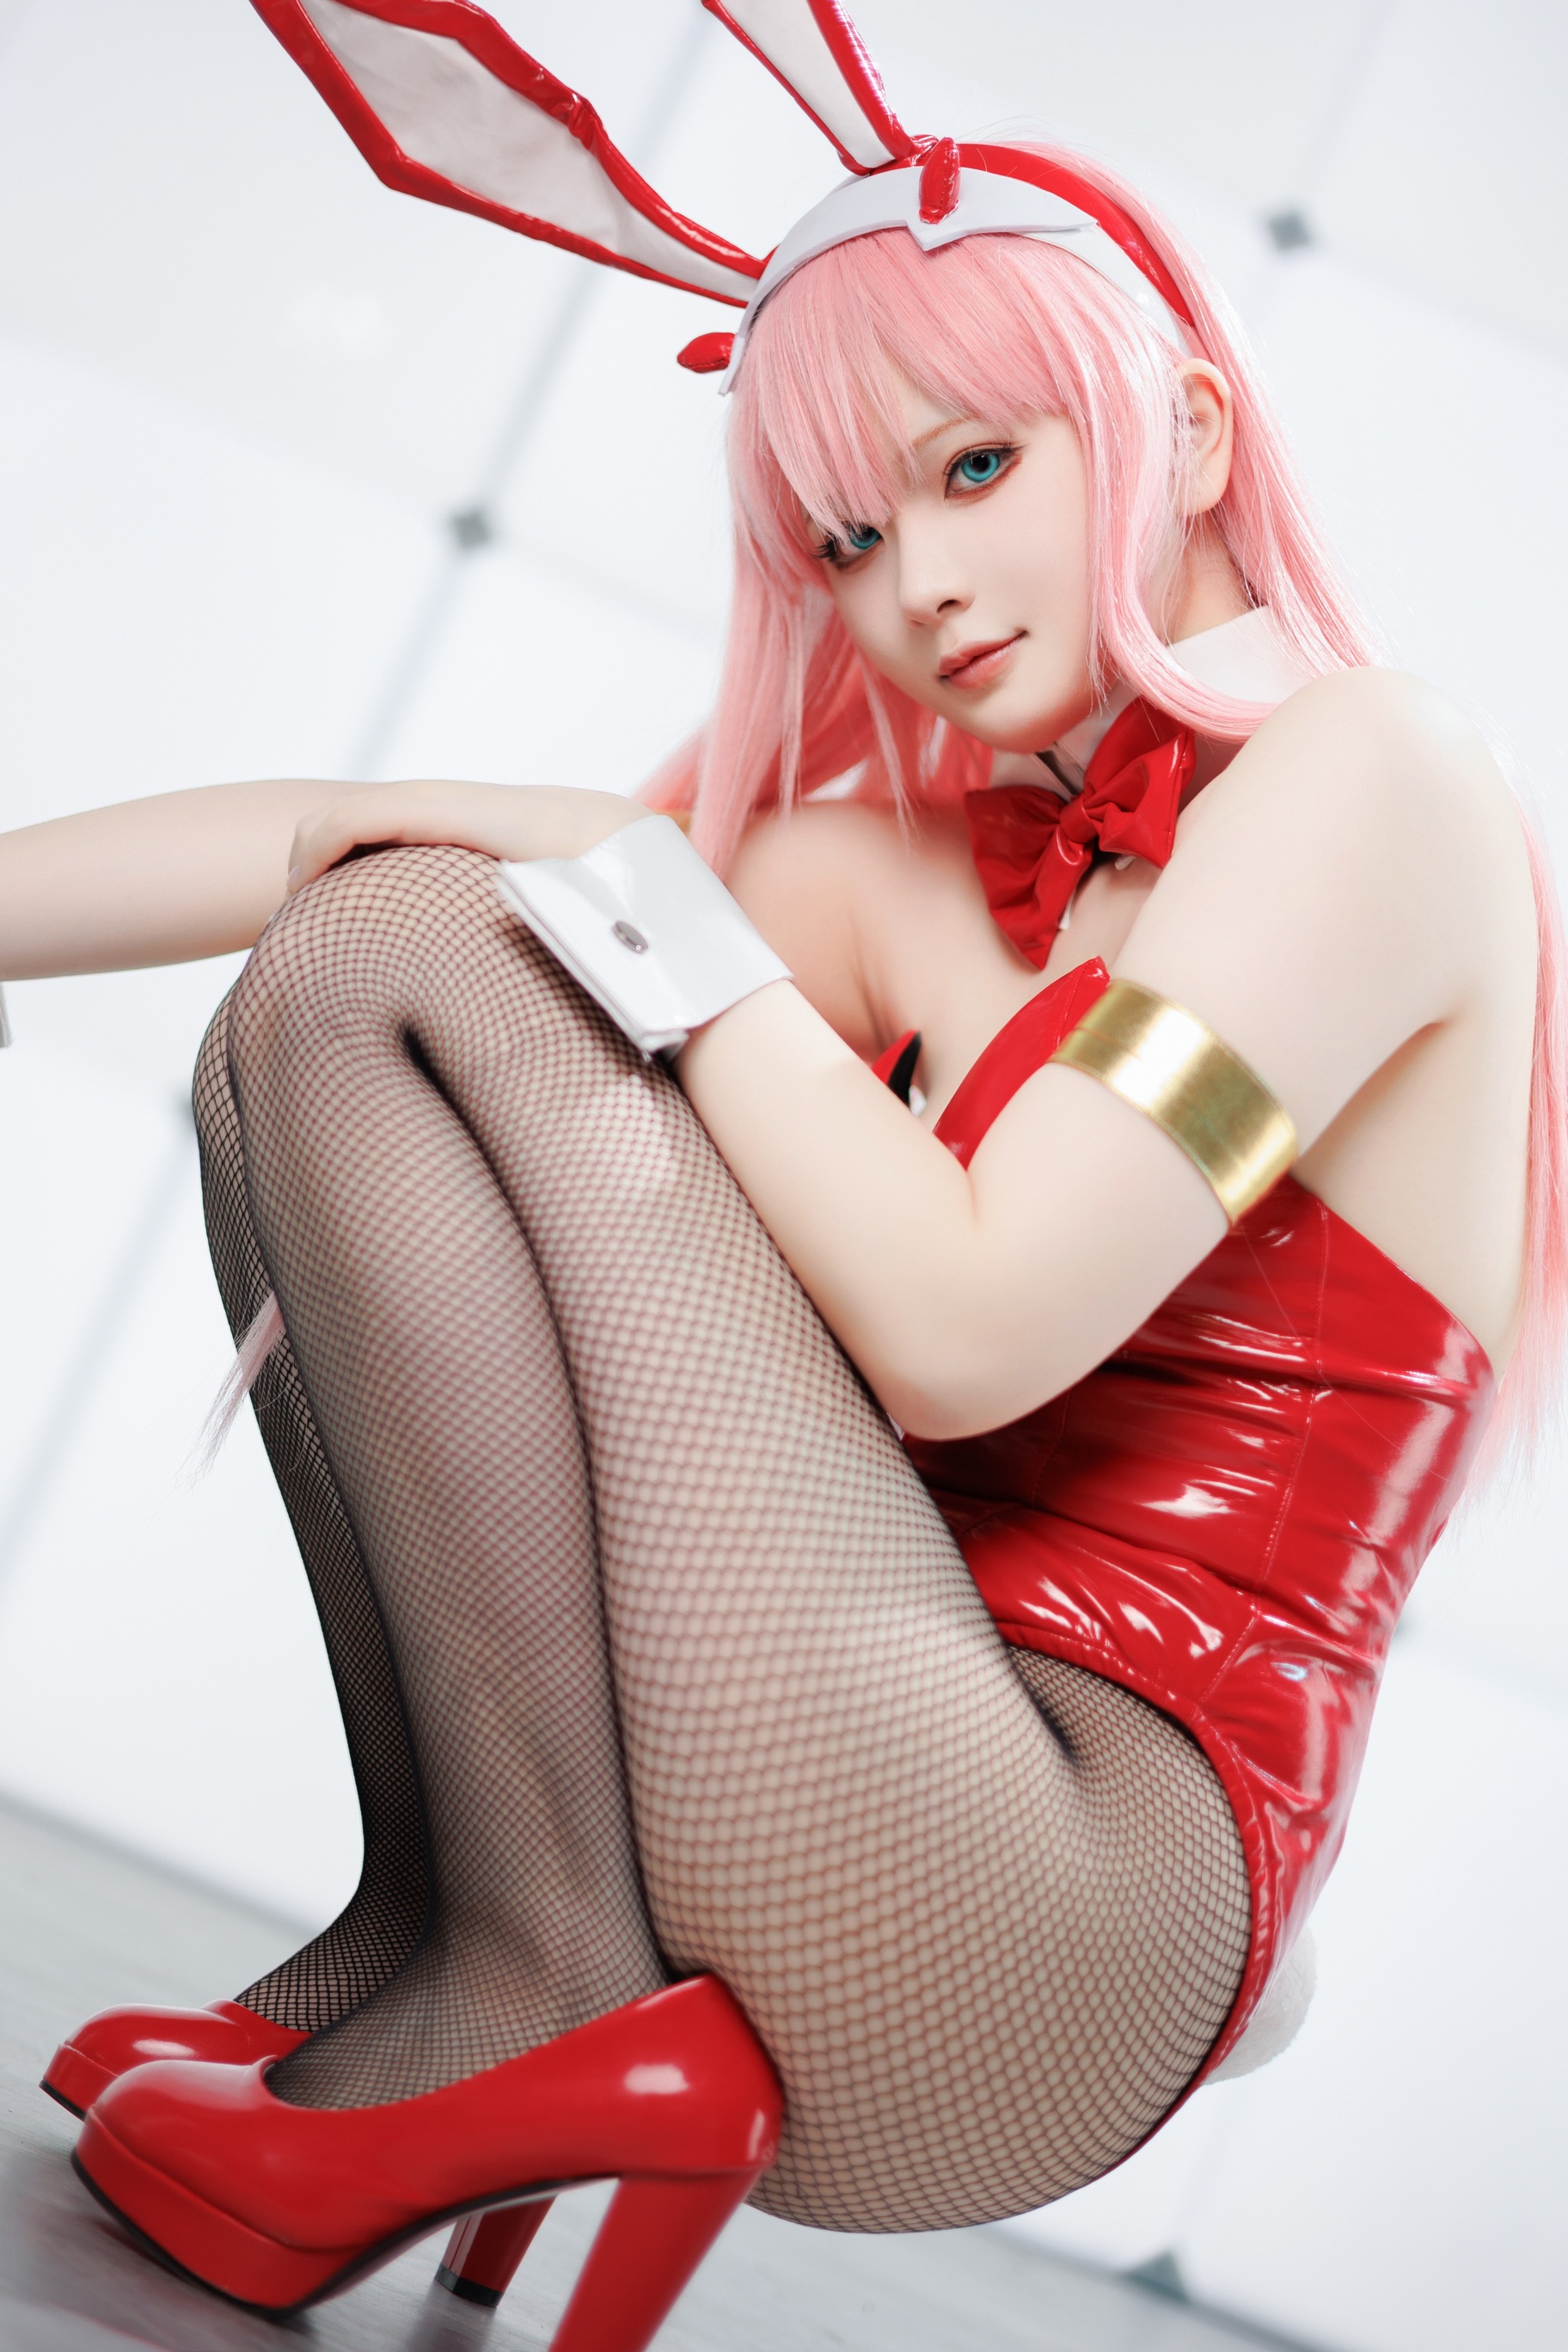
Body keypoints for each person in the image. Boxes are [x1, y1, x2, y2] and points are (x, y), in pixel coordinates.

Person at [3, 4, 1561, 2346]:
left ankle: (528, 1986)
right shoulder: (922, 884)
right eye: (845, 535)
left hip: (1057, 1896)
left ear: (1189, 430)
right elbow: (374, 841)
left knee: (434, 950)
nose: (913, 580)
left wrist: (670, 915)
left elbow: (969, 1331)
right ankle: (452, 1949)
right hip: (830, 1774)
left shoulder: (1373, 782)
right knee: (355, 968)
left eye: (973, 466)